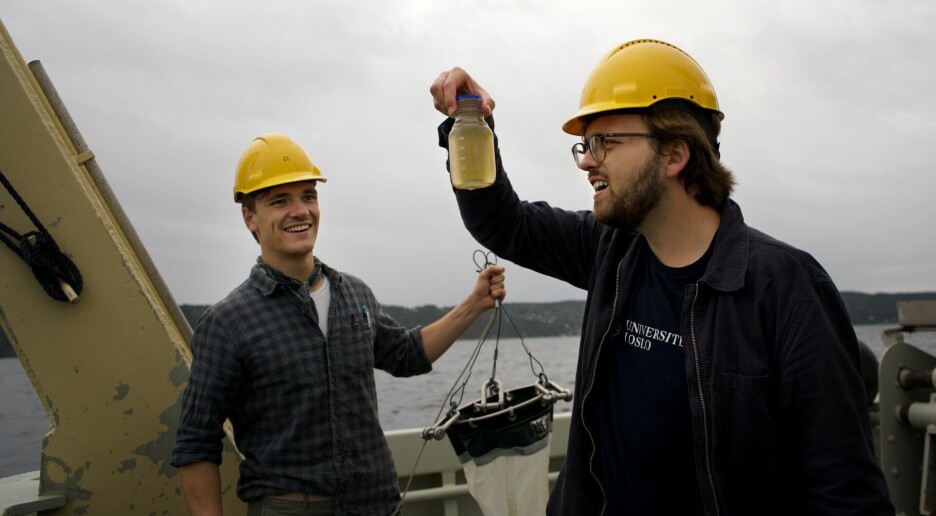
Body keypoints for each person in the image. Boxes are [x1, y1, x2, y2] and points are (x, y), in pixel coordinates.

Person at [429, 40, 894, 515]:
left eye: (604, 141)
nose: (588, 160)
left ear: (674, 155)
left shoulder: (786, 289)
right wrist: (471, 126)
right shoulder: (609, 251)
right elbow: (503, 223)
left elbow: (845, 494)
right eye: (584, 145)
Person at [171, 133, 506, 516]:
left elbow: (407, 355)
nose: (300, 211)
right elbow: (196, 444)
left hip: (376, 504)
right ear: (250, 217)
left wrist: (475, 304)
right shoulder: (227, 323)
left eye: (308, 196)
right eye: (280, 201)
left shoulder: (355, 295)